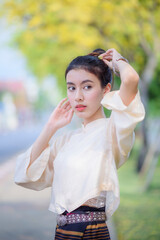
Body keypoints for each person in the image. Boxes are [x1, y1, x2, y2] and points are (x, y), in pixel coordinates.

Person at [15, 48, 145, 239]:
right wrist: (50, 127)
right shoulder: (66, 140)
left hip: (91, 232)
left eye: (87, 87)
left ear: (106, 89)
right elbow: (24, 174)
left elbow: (131, 80)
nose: (78, 97)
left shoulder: (114, 130)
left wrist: (118, 61)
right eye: (71, 87)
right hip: (62, 232)